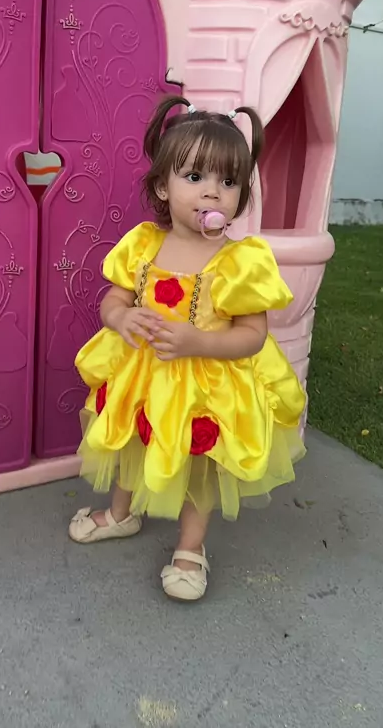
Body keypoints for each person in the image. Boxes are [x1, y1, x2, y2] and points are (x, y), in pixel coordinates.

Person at [69, 95, 306, 601]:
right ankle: (121, 513)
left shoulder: (240, 261)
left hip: (206, 383)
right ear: (163, 186)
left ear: (241, 194)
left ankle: (190, 548)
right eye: (195, 177)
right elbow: (113, 299)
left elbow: (252, 335)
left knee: (201, 463)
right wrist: (122, 317)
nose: (212, 192)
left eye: (228, 182)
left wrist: (199, 340)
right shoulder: (143, 244)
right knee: (131, 441)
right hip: (144, 374)